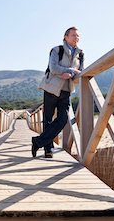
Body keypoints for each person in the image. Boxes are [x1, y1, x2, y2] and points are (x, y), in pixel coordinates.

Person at [32, 26, 84, 158]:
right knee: (48, 120)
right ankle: (48, 149)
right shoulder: (57, 50)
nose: (76, 38)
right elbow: (53, 68)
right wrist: (71, 71)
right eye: (73, 35)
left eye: (78, 36)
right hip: (51, 88)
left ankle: (38, 142)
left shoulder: (81, 54)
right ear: (65, 37)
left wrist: (70, 73)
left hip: (66, 90)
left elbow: (81, 72)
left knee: (62, 120)